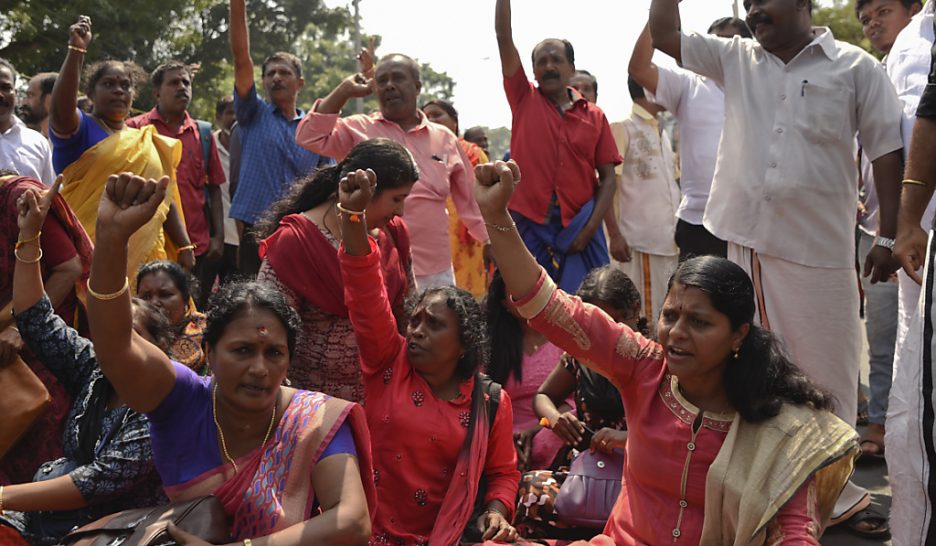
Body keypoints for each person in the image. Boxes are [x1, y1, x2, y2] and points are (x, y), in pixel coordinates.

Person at [475, 159, 860, 545]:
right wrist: (496, 215)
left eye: (699, 322)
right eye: (669, 316)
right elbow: (552, 307)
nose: (676, 333)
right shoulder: (645, 367)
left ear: (738, 335)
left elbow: (795, 531)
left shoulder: (780, 425)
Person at [650, 0, 904, 537]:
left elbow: (886, 150)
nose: (756, 9)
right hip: (749, 248)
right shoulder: (735, 57)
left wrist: (887, 233)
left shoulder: (857, 68)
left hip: (824, 249)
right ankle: (771, 494)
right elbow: (665, 33)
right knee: (755, 375)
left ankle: (835, 495)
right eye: (749, 3)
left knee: (830, 376)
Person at [80, 171, 377, 544]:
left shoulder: (314, 420)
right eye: (242, 351)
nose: (259, 369)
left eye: (274, 354)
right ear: (209, 352)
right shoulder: (181, 399)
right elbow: (115, 344)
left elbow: (352, 521)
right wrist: (111, 238)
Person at [337, 168, 520, 543]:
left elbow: (503, 473)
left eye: (433, 325)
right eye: (415, 320)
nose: (416, 330)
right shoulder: (389, 362)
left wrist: (497, 513)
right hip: (369, 535)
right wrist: (353, 218)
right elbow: (366, 291)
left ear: (464, 343)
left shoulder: (490, 403)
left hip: (449, 536)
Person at [3, 176, 170, 545]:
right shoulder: (96, 368)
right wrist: (29, 237)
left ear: (161, 348)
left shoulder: (161, 409)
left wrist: (3, 497)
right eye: (108, 338)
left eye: (131, 338)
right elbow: (36, 321)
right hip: (53, 524)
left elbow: (94, 480)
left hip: (119, 533)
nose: (117, 348)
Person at [296, 51, 490, 291]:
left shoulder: (445, 139)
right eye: (382, 80)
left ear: (417, 86)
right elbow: (308, 136)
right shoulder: (358, 129)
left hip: (435, 272)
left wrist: (493, 244)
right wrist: (344, 91)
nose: (388, 86)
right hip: (373, 266)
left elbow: (471, 205)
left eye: (397, 78)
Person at [254, 138, 417, 403]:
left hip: (383, 399)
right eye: (396, 199)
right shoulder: (296, 242)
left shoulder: (393, 233)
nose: (400, 210)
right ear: (366, 191)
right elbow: (268, 329)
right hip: (315, 407)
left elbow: (408, 309)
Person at [48, 16, 194, 283]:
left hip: (148, 261)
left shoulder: (148, 140)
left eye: (125, 85)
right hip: (86, 254)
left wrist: (184, 244)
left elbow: (165, 195)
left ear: (133, 95)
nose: (118, 91)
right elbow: (60, 109)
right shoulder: (80, 130)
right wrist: (76, 51)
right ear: (91, 93)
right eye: (108, 84)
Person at [495, 0, 622, 293]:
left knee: (592, 305)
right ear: (533, 70)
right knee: (530, 305)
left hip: (581, 227)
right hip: (530, 222)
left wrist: (590, 229)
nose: (549, 66)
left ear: (571, 67)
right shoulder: (523, 98)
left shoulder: (595, 115)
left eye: (556, 60)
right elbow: (504, 36)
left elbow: (608, 179)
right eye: (542, 61)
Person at [517, 265, 643, 539]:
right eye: (592, 325)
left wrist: (622, 438)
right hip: (588, 473)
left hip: (641, 475)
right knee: (530, 492)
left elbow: (674, 433)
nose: (603, 334)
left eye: (610, 323)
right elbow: (543, 397)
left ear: (634, 311)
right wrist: (554, 418)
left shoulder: (652, 359)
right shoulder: (582, 353)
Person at [853, 0, 922, 461]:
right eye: (865, 19)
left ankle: (915, 426)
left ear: (914, 10)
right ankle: (880, 420)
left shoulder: (924, 61)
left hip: (918, 229)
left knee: (920, 335)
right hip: (875, 231)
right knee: (882, 338)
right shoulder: (868, 73)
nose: (873, 22)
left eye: (882, 11)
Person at [628, 18, 751, 261]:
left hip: (751, 222)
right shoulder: (688, 85)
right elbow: (639, 68)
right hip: (698, 222)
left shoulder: (761, 84)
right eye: (717, 42)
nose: (725, 49)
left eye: (732, 42)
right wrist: (659, 11)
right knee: (694, 298)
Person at [227, 0, 332, 277]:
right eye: (270, 73)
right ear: (262, 83)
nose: (276, 78)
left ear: (300, 84)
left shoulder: (314, 128)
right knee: (256, 303)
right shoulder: (253, 113)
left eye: (284, 72)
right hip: (255, 228)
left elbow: (328, 179)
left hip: (300, 229)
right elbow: (241, 59)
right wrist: (237, 6)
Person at [0, 173, 90, 487]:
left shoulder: (19, 199)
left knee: (42, 458)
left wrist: (19, 329)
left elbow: (70, 268)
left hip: (41, 350)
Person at [888, 9, 936, 545]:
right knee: (917, 399)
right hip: (922, 254)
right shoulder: (909, 40)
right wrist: (900, 227)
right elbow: (921, 121)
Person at [127, 62, 226, 308]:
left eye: (186, 82)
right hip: (150, 244)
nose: (182, 87)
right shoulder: (136, 129)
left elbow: (214, 187)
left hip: (196, 245)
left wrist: (219, 237)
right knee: (150, 314)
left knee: (193, 314)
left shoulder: (202, 133)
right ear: (157, 93)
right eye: (174, 83)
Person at [608, 77, 681, 330]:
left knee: (666, 310)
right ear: (649, 90)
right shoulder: (623, 127)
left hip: (668, 239)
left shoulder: (661, 131)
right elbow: (608, 186)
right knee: (645, 320)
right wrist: (614, 235)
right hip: (639, 241)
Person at [485, 272, 566, 472]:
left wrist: (537, 431)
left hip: (556, 434)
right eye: (516, 291)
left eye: (532, 288)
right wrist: (508, 441)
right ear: (504, 303)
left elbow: (575, 403)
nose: (527, 297)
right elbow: (483, 404)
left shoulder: (564, 336)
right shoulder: (491, 346)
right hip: (504, 442)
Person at [422, 99, 490, 297]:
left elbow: (482, 196)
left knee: (470, 296)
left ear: (454, 122)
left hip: (470, 236)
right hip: (433, 236)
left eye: (437, 115)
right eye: (427, 116)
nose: (432, 120)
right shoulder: (419, 151)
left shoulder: (473, 153)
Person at [136, 260, 207, 373]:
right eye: (146, 296)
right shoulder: (130, 336)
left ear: (185, 298)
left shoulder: (208, 333)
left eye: (165, 295)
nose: (154, 302)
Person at [0, 59, 54, 185]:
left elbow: (50, 193)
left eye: (6, 88)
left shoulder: (38, 143)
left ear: (16, 93)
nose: (0, 95)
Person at [210, 96, 239, 287]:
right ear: (218, 117)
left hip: (242, 239)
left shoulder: (253, 148)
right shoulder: (207, 144)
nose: (236, 117)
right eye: (230, 112)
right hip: (214, 237)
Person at [21, 72, 57, 138]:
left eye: (31, 95)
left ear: (50, 100)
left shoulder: (73, 141)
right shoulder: (34, 141)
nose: (24, 103)